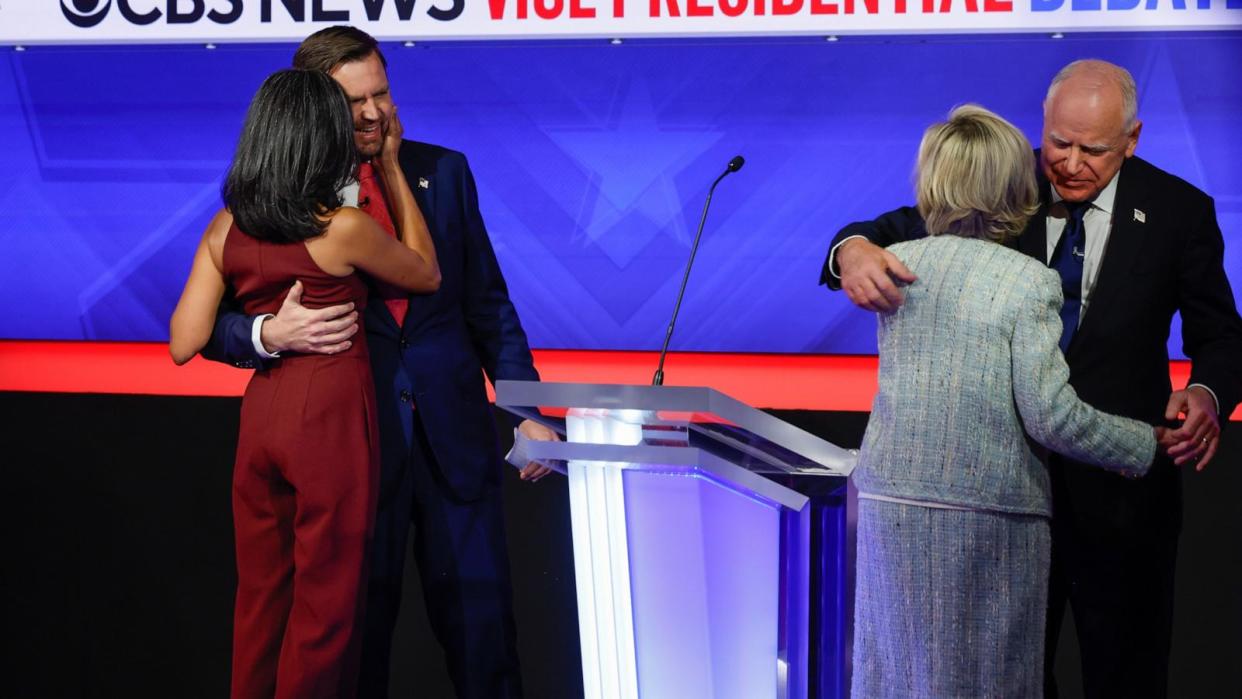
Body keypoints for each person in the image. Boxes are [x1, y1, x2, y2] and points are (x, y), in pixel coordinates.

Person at [823, 60, 1242, 697]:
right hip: (1006, 504)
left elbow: (1221, 336)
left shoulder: (1180, 211)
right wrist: (848, 252)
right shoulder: (1005, 194)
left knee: (1125, 677)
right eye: (1058, 143)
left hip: (1121, 504)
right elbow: (885, 232)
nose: (1070, 163)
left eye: (1094, 149)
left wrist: (1208, 393)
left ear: (1132, 139)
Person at [202, 27, 557, 698]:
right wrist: (270, 333)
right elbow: (209, 326)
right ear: (313, 103)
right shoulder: (275, 199)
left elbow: (487, 302)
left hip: (454, 445)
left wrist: (526, 407)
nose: (372, 114)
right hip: (348, 455)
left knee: (486, 645)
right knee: (350, 651)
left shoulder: (443, 171)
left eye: (382, 94)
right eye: (352, 101)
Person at [849, 103, 1162, 698]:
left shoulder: (898, 263)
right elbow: (1051, 415)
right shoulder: (1029, 281)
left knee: (892, 675)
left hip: (890, 500)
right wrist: (1143, 441)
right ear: (1017, 186)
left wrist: (850, 250)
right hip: (987, 511)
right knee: (987, 681)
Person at [170, 69, 440, 698]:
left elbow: (184, 341)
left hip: (262, 418)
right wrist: (394, 171)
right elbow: (425, 274)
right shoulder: (340, 228)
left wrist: (266, 332)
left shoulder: (225, 227)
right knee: (326, 606)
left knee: (262, 599)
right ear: (322, 136)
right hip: (331, 424)